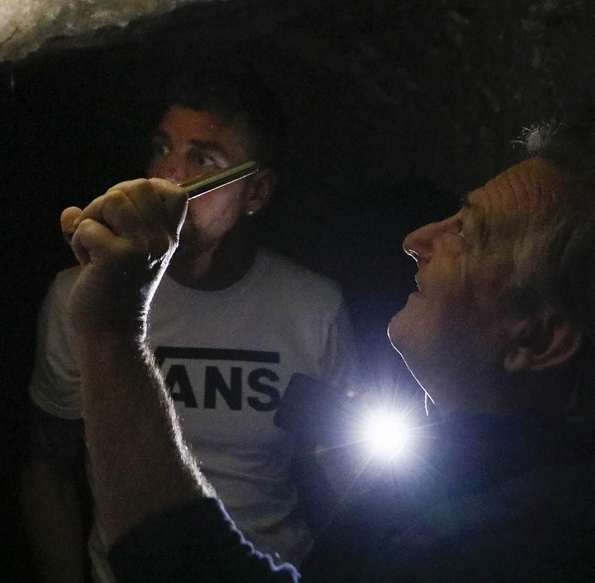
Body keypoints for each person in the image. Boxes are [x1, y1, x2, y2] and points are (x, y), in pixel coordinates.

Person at [58, 124, 595, 583]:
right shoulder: (533, 484)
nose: (417, 238)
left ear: (538, 337)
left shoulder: (532, 548)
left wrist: (113, 335)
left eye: (469, 232)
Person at [22, 72, 357, 583]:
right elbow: (48, 465)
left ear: (256, 192)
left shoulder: (313, 308)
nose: (167, 180)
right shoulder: (81, 295)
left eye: (203, 159)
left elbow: (347, 478)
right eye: (162, 148)